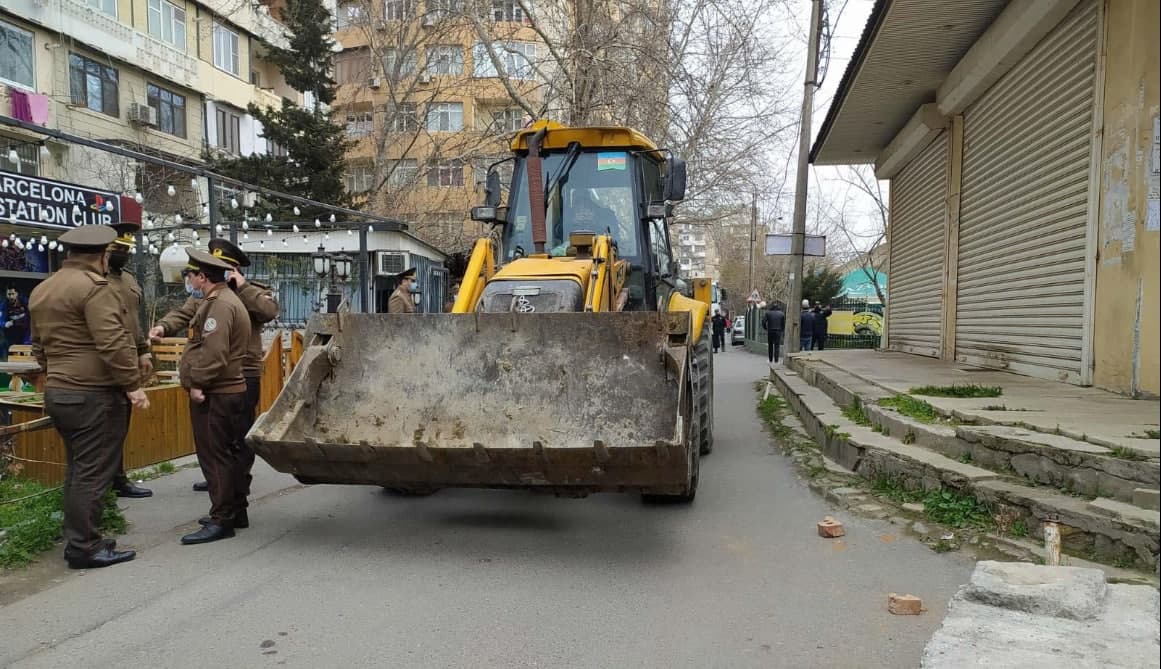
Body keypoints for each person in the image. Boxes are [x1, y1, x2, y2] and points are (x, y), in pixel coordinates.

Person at [29, 225, 149, 569]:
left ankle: (80, 539)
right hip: (94, 395)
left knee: (77, 471)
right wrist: (132, 385)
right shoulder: (96, 289)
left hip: (60, 392)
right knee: (94, 473)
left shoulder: (43, 288)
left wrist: (58, 375)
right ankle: (84, 548)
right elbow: (111, 341)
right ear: (102, 255)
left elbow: (40, 348)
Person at [150, 240, 279, 498]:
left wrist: (242, 287)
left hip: (243, 371)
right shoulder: (206, 294)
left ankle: (237, 486)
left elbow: (268, 312)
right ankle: (218, 482)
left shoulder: (251, 292)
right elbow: (184, 313)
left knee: (238, 436)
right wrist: (163, 327)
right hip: (212, 374)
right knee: (212, 437)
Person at [176, 249, 251, 545]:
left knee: (215, 456)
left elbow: (214, 352)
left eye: (190, 275)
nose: (189, 280)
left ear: (202, 277)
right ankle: (234, 511)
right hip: (226, 389)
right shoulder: (221, 300)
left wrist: (197, 383)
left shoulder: (219, 305)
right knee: (228, 454)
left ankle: (222, 519)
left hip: (217, 392)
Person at [103, 224, 154, 499]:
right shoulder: (96, 280)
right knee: (105, 424)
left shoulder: (129, 279)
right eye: (117, 249)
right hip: (106, 360)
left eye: (125, 250)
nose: (122, 254)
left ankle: (118, 478)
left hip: (130, 356)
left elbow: (135, 320)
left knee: (121, 421)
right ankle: (105, 481)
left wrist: (143, 349)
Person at [1, 287, 30, 359]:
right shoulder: (4, 304)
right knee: (12, 352)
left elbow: (31, 314)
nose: (11, 296)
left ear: (17, 294)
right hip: (12, 332)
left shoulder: (24, 302)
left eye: (12, 294)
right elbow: (1, 319)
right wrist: (4, 324)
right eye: (9, 294)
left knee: (24, 350)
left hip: (25, 331)